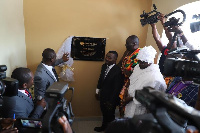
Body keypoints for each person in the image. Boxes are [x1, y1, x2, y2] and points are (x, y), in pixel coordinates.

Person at [122, 46, 167, 118]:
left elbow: (147, 95)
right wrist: (125, 94)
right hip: (130, 102)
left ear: (150, 61)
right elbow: (131, 79)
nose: (140, 64)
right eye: (139, 61)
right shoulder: (138, 67)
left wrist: (128, 99)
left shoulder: (155, 77)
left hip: (141, 107)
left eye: (143, 62)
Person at [94, 51, 124, 132]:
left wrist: (111, 101)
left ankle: (111, 130)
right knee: (104, 112)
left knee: (110, 115)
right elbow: (101, 79)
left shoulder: (118, 71)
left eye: (109, 58)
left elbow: (117, 88)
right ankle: (103, 127)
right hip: (103, 95)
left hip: (111, 98)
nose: (107, 59)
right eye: (106, 56)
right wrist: (97, 91)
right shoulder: (104, 66)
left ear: (115, 59)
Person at [118, 35, 140, 117]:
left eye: (127, 44)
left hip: (131, 85)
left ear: (134, 43)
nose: (125, 45)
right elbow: (120, 64)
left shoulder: (139, 54)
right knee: (121, 105)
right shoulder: (129, 52)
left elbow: (138, 74)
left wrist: (127, 72)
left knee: (125, 106)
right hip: (123, 82)